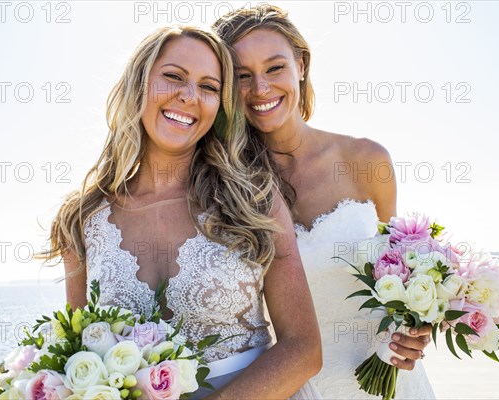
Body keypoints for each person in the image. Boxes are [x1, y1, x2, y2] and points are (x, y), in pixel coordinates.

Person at [38, 25, 321, 399]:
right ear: (138, 85)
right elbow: (78, 354)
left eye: (209, 87)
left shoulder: (253, 200)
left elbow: (303, 348)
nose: (189, 97)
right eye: (173, 77)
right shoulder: (80, 219)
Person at [213, 5, 436, 399]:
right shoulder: (225, 187)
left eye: (275, 67)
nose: (260, 88)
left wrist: (416, 325)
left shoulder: (367, 160)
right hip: (297, 388)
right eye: (242, 76)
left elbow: (400, 275)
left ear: (301, 64)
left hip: (392, 382)